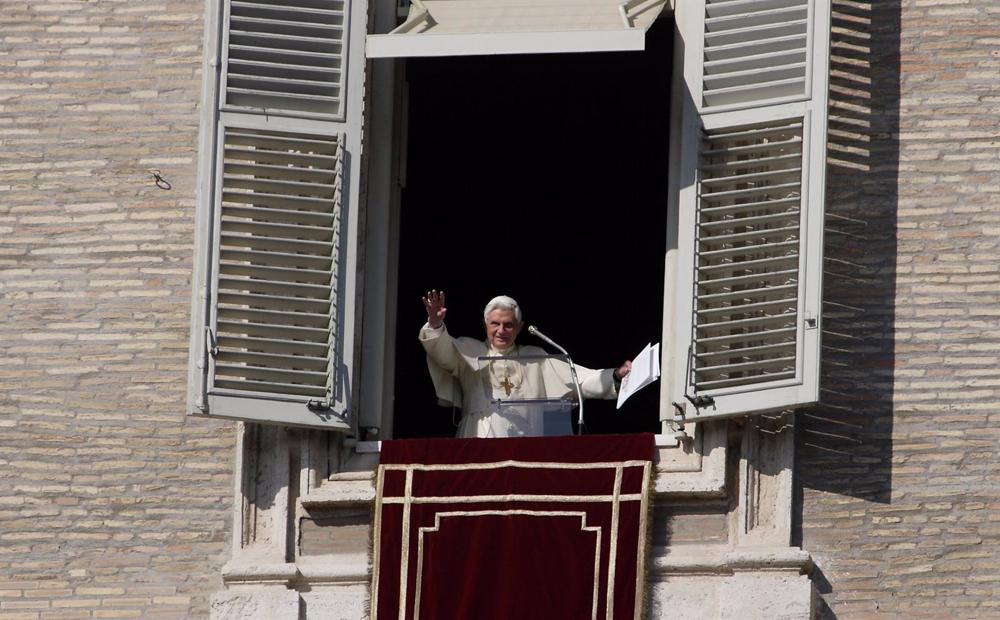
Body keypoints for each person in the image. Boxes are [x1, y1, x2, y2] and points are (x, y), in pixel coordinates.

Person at [419, 290, 632, 438]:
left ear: (519, 327)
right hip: (479, 439)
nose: (501, 330)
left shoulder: (535, 358)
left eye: (508, 325)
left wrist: (615, 375)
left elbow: (580, 380)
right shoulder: (469, 350)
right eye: (495, 323)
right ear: (485, 324)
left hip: (527, 441)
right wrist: (436, 325)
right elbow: (442, 353)